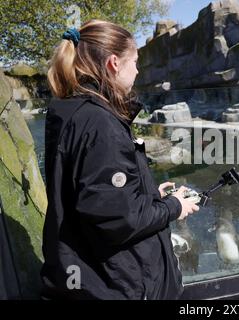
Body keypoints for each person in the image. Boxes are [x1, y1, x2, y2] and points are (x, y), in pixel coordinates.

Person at [41, 19, 199, 300]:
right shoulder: (101, 124)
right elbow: (119, 221)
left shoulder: (71, 110)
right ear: (114, 63)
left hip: (84, 275)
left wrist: (149, 193)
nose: (138, 70)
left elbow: (93, 196)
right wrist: (175, 207)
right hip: (112, 285)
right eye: (135, 61)